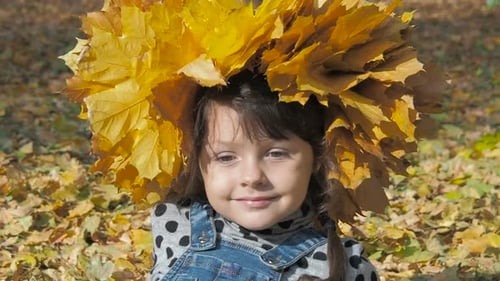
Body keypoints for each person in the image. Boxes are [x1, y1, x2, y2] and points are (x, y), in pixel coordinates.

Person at [149, 72, 379, 281]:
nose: (252, 177)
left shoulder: (342, 264)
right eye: (226, 157)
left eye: (276, 154)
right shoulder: (177, 222)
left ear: (317, 157)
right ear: (197, 160)